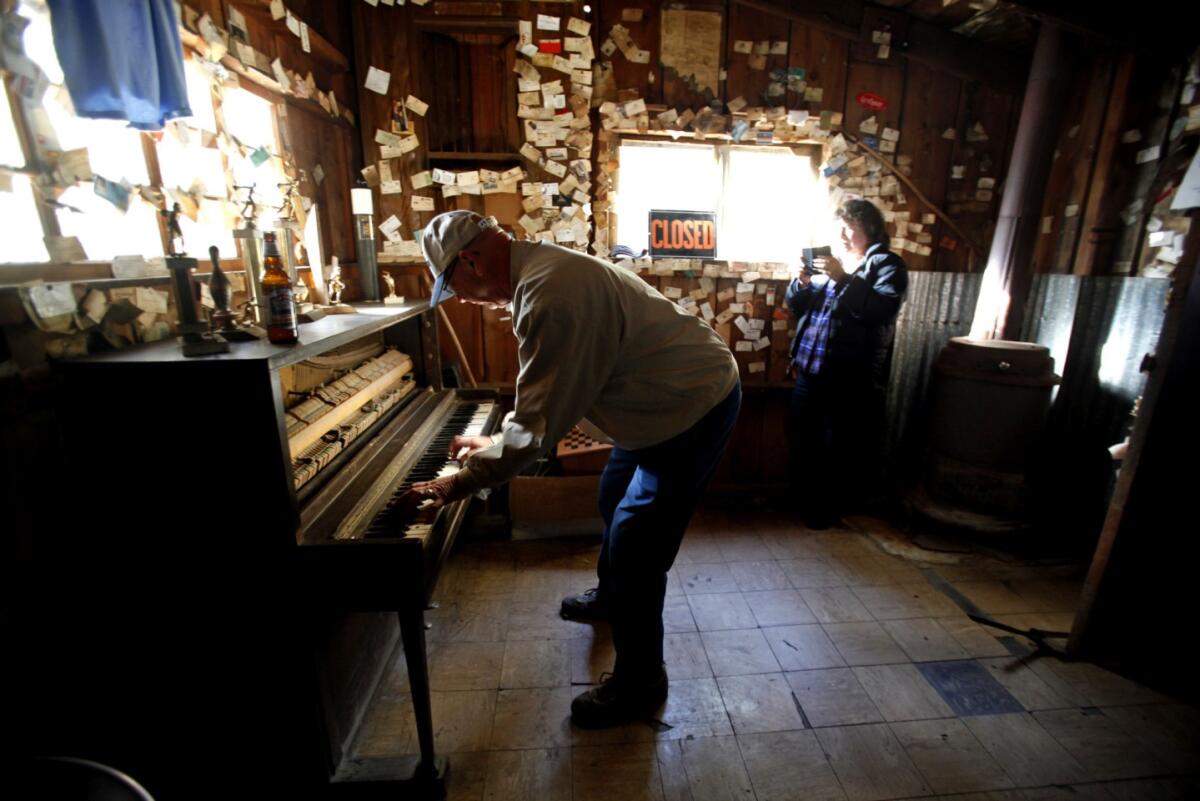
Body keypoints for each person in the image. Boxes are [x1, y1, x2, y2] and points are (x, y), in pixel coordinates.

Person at [399, 211, 741, 728]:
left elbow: (537, 428)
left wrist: (458, 483)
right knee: (612, 497)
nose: (462, 299)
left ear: (470, 259)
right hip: (652, 400)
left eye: (454, 286)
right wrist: (497, 441)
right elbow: (551, 399)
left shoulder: (550, 295)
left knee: (637, 549)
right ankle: (611, 599)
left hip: (688, 406)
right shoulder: (540, 272)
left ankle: (641, 683)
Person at [785, 199, 908, 528]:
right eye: (838, 226)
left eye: (848, 227)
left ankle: (825, 511)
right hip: (809, 370)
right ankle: (802, 502)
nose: (841, 234)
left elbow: (880, 310)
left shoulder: (887, 265)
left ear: (868, 229)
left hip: (847, 375)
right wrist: (802, 283)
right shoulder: (832, 262)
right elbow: (798, 307)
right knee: (803, 438)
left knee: (835, 446)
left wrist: (843, 278)